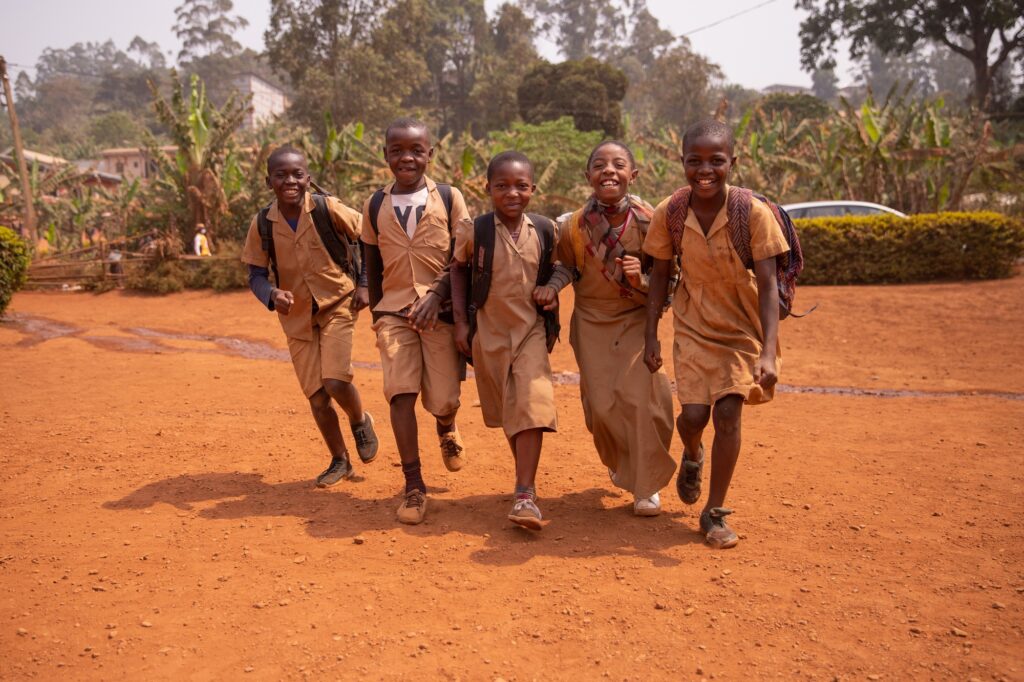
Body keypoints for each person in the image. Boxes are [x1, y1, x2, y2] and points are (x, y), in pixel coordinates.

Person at [642, 120, 789, 549]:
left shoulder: (753, 213)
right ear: (682, 161)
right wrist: (651, 335)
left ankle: (715, 511)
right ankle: (692, 453)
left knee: (727, 414)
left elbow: (767, 285)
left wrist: (767, 350)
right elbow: (659, 278)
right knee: (692, 418)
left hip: (742, 326)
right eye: (695, 161)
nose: (705, 170)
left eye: (716, 161)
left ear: (733, 163)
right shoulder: (669, 211)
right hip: (692, 323)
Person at [241, 145, 379, 488]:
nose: (290, 181)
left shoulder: (325, 207)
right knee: (317, 398)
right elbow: (255, 275)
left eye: (297, 174)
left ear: (308, 177)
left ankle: (360, 420)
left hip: (338, 303)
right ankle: (339, 460)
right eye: (281, 175)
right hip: (297, 316)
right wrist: (272, 295)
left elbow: (368, 237)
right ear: (269, 180)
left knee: (335, 380)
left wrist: (364, 284)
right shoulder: (262, 224)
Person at [450, 151, 573, 530]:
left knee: (534, 403)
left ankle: (524, 493)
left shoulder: (547, 229)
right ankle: (526, 484)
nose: (512, 193)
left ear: (533, 189)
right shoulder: (476, 230)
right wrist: (460, 325)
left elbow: (565, 267)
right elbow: (456, 269)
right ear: (487, 188)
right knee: (510, 412)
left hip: (532, 331)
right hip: (488, 333)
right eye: (502, 186)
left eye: (521, 186)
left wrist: (552, 288)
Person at [360, 118, 470, 525]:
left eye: (416, 151)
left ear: (430, 154)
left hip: (438, 314)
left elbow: (463, 256)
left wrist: (438, 297)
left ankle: (447, 426)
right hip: (393, 314)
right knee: (399, 393)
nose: (407, 158)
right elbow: (370, 263)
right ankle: (414, 486)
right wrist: (378, 313)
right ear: (385, 154)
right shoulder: (374, 205)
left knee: (444, 398)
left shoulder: (449, 197)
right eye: (397, 151)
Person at [559, 141, 675, 517]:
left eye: (618, 164)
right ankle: (620, 461)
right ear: (588, 175)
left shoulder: (652, 220)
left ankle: (646, 485)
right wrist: (549, 288)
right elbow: (564, 268)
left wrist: (639, 279)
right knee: (602, 408)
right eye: (599, 165)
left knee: (645, 401)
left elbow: (668, 279)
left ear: (633, 175)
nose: (609, 171)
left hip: (637, 317)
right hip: (591, 320)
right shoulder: (573, 225)